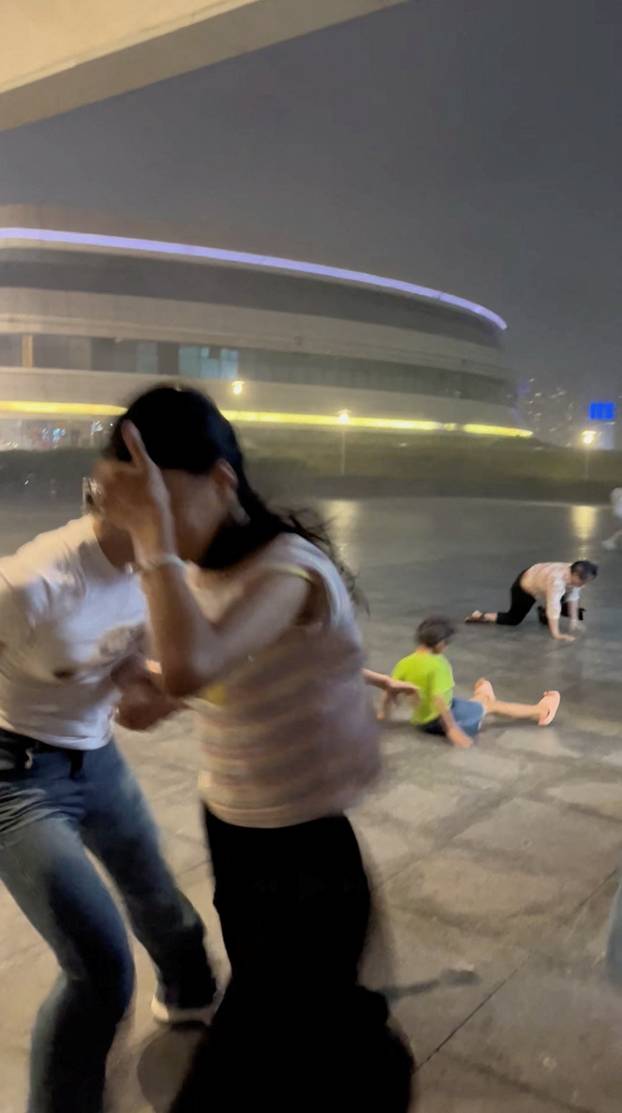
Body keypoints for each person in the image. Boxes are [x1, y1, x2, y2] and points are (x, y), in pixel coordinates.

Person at [97, 385, 414, 1113]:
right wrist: (122, 681)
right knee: (304, 1023)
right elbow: (178, 689)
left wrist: (149, 544)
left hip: (305, 858)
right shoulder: (201, 572)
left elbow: (191, 664)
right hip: (237, 836)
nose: (160, 531)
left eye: (166, 505)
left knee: (249, 1052)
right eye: (144, 509)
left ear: (222, 481)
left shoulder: (288, 567)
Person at [0, 503, 217, 1113]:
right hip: (14, 779)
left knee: (155, 892)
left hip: (96, 759)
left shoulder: (156, 573)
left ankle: (190, 992)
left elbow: (118, 654)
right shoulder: (31, 581)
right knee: (99, 969)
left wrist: (143, 689)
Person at [382, 616, 561, 748]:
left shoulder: (404, 662)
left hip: (420, 720)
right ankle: (541, 712)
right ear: (441, 644)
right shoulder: (439, 665)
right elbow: (439, 700)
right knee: (492, 706)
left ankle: (482, 697)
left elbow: (391, 688)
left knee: (478, 701)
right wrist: (452, 730)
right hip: (440, 721)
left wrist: (384, 713)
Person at [465, 559, 598, 641]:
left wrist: (574, 620)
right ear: (574, 574)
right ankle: (480, 616)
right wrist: (556, 634)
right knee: (513, 619)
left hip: (539, 578)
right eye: (583, 581)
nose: (584, 585)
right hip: (525, 587)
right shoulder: (557, 581)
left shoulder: (574, 571)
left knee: (564, 595)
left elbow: (574, 595)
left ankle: (543, 612)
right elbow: (553, 605)